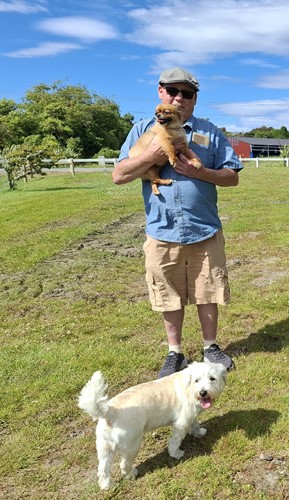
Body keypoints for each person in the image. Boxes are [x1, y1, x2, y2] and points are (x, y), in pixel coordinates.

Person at [112, 67, 243, 378]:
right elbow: (119, 175)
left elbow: (232, 177)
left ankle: (210, 346)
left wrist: (199, 172)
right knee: (167, 291)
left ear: (195, 99)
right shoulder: (142, 130)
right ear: (161, 93)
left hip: (204, 227)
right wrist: (153, 154)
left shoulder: (209, 132)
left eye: (186, 93)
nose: (179, 98)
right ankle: (175, 353)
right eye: (172, 91)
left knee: (207, 289)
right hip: (162, 228)